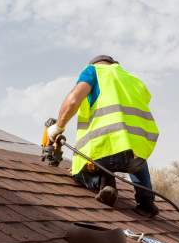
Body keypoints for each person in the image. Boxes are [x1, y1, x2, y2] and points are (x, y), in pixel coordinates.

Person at [47, 55, 160, 217]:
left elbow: (73, 100)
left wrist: (58, 127)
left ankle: (105, 184)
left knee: (78, 171)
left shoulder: (93, 71)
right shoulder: (132, 79)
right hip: (138, 152)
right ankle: (146, 201)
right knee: (134, 154)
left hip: (106, 150)